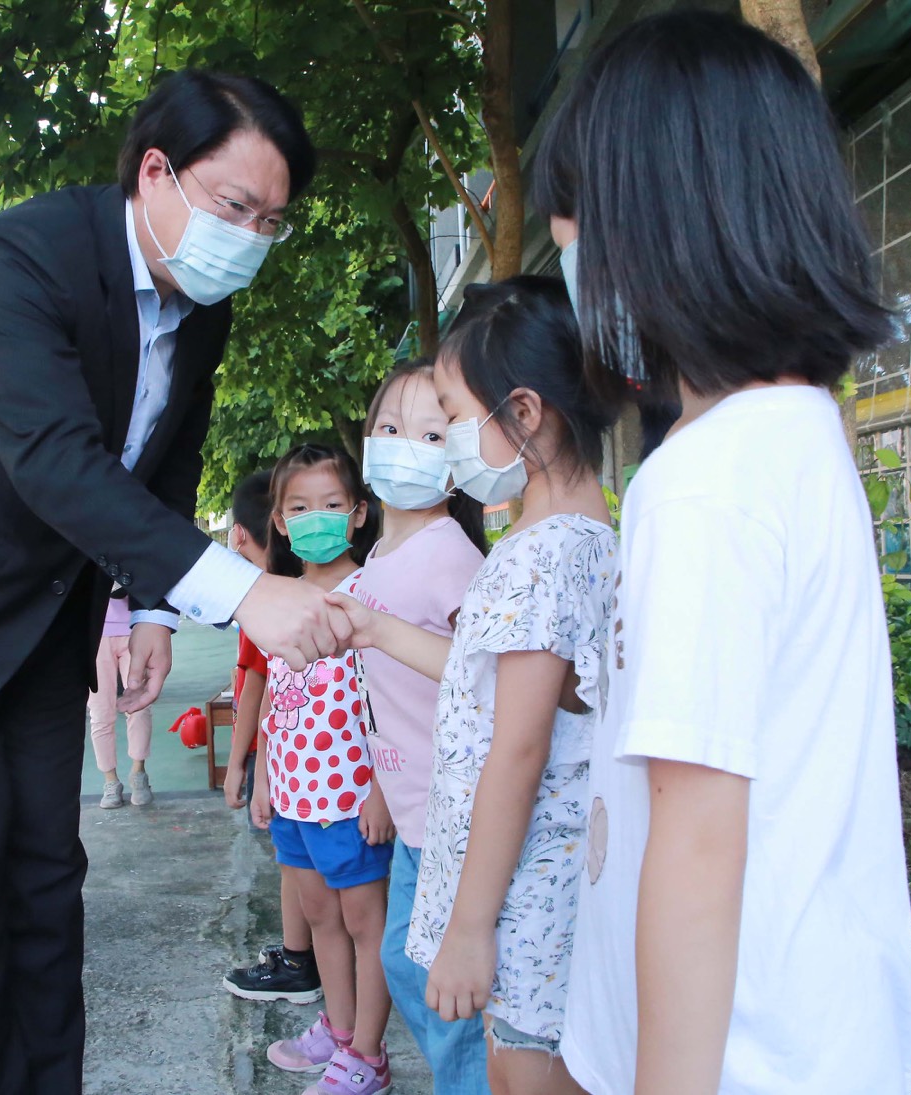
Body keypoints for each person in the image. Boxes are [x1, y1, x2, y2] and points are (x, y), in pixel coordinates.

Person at [0, 71, 350, 1094]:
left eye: (271, 223)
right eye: (235, 208)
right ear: (156, 171)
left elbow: (165, 459)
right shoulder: (18, 257)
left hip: (44, 620)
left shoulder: (203, 304)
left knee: (47, 876)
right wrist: (243, 592)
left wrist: (149, 606)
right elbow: (55, 460)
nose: (248, 237)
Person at [534, 11, 911, 1094]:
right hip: (807, 1033)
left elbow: (699, 843)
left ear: (653, 224)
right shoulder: (796, 430)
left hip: (738, 1060)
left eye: (574, 224)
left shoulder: (703, 481)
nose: (570, 260)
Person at [331, 277, 618, 1095]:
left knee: (520, 1073)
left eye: (455, 417)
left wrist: (468, 928)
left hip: (523, 892)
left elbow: (515, 749)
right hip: (549, 879)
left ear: (522, 413)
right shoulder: (585, 536)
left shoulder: (536, 555)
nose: (448, 442)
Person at [353, 359, 491, 1093]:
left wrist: (377, 629)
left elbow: (491, 674)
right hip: (411, 808)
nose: (406, 443)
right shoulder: (382, 551)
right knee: (406, 964)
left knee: (445, 986)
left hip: (456, 811)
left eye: (432, 433)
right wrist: (380, 782)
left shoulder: (449, 553)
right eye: (390, 426)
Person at [258, 444, 394, 1095]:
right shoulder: (276, 598)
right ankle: (338, 1034)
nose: (316, 518)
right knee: (319, 918)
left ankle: (367, 1055)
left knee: (367, 926)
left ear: (359, 512)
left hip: (349, 797)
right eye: (300, 506)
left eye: (332, 505)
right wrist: (261, 778)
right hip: (292, 795)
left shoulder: (370, 592)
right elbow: (275, 698)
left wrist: (379, 790)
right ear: (280, 520)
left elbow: (389, 699)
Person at [222, 468, 324, 1006]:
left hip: (289, 757)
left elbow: (257, 684)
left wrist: (239, 762)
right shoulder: (293, 588)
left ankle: (300, 960)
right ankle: (305, 954)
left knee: (299, 865)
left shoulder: (266, 599)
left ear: (240, 533)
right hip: (295, 757)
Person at [89, 590, 154, 809]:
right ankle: (110, 781)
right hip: (95, 631)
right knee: (100, 712)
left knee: (139, 706)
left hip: (135, 627)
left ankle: (139, 772)